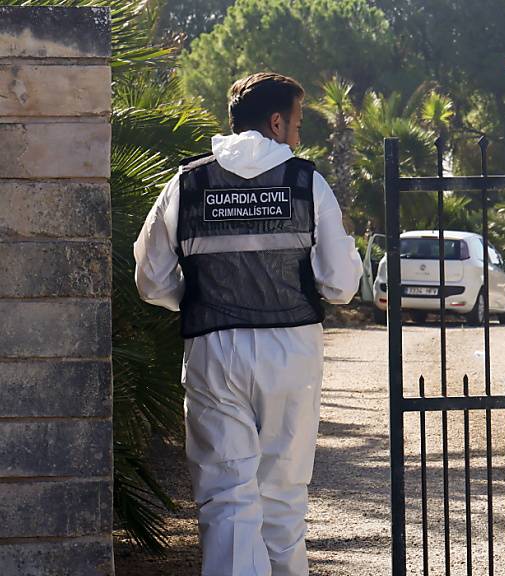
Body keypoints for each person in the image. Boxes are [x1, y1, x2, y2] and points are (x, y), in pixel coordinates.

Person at [134, 72, 363, 576]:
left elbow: (150, 280)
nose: (299, 136)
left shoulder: (187, 183)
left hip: (213, 351)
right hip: (292, 351)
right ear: (277, 123)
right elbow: (341, 285)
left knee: (227, 498)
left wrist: (199, 299)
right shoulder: (307, 183)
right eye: (298, 124)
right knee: (282, 495)